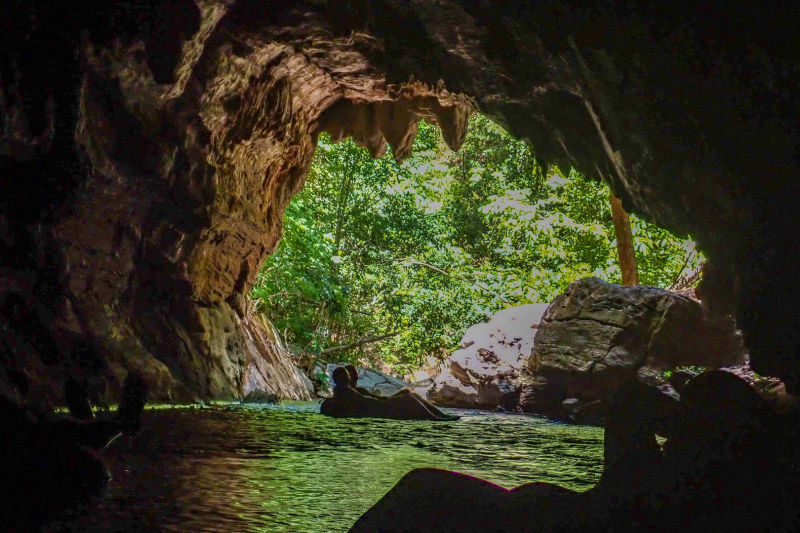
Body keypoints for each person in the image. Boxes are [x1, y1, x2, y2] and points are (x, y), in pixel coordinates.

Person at [344, 364, 458, 420]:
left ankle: (441, 415)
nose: (356, 376)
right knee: (409, 397)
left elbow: (375, 399)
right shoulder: (355, 391)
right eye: (354, 374)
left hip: (381, 404)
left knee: (412, 393)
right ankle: (434, 418)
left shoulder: (357, 390)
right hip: (381, 407)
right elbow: (374, 400)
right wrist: (393, 397)